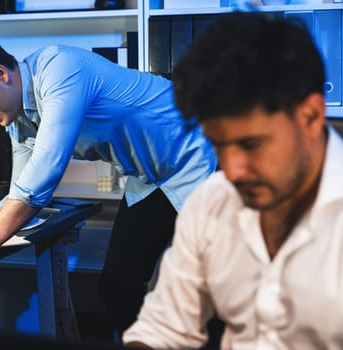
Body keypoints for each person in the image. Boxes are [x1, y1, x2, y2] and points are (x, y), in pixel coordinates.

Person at [0, 32, 217, 334]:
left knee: (219, 291)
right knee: (117, 288)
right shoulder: (19, 121)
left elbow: (47, 169)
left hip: (199, 151)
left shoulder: (59, 69)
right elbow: (22, 189)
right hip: (151, 178)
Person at [122, 11, 343, 349]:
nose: (233, 171)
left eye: (251, 144)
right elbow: (163, 329)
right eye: (219, 146)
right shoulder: (212, 201)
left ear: (310, 116)